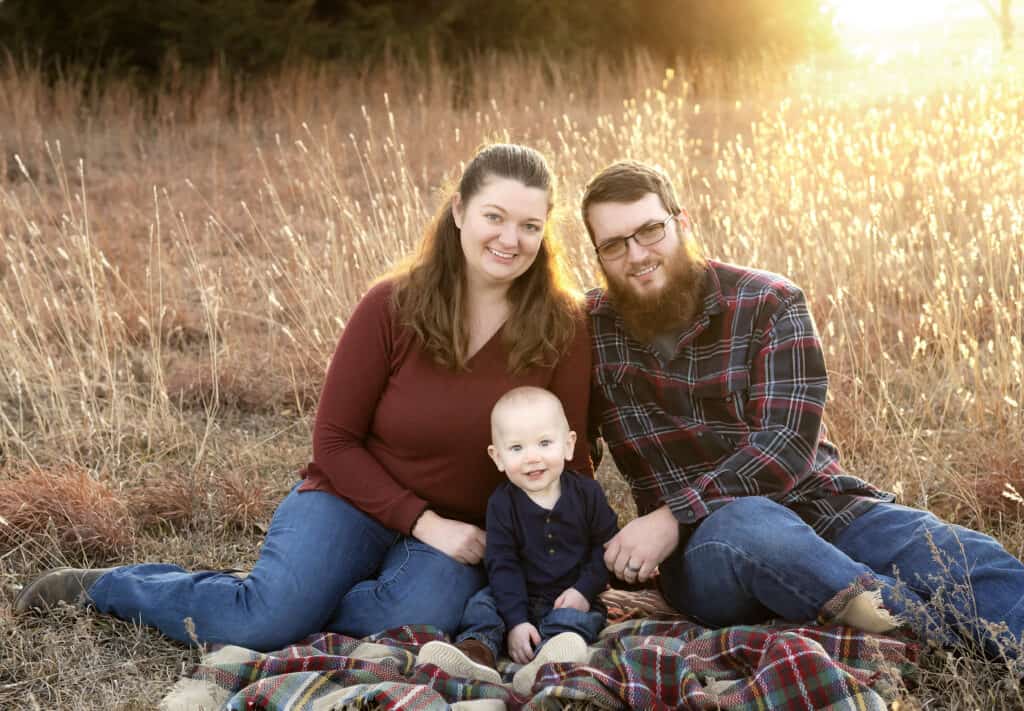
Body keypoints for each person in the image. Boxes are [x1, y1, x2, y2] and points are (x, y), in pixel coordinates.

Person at [13, 143, 594, 653]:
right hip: (352, 498)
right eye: (494, 216)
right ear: (460, 210)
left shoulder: (561, 326)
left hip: (465, 530)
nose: (510, 239)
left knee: (413, 620)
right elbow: (333, 442)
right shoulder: (390, 306)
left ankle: (281, 601)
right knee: (267, 617)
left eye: (530, 225)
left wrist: (566, 561)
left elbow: (571, 463)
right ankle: (117, 588)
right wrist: (422, 523)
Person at [581, 159, 1024, 659]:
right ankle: (937, 641)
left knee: (961, 556)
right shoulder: (590, 330)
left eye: (650, 231)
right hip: (708, 551)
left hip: (826, 506)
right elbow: (558, 445)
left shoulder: (768, 301)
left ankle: (927, 621)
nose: (637, 255)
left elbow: (786, 443)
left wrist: (672, 515)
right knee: (753, 525)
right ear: (598, 254)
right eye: (614, 245)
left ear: (682, 223)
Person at [417, 386, 618, 695]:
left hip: (570, 596)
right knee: (482, 606)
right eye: (516, 448)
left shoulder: (587, 494)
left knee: (576, 621)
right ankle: (476, 654)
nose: (532, 458)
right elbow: (502, 564)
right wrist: (515, 621)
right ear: (497, 457)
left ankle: (547, 661)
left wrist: (583, 590)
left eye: (544, 443)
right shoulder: (501, 504)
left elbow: (604, 549)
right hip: (516, 593)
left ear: (568, 445)